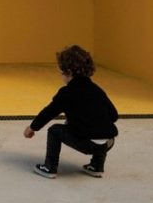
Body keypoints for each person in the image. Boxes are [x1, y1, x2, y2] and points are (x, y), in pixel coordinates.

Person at [23, 44, 119, 178]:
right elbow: (113, 116)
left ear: (67, 71)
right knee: (100, 128)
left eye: (61, 72)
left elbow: (49, 112)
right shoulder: (97, 90)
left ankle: (49, 167)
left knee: (55, 130)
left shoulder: (66, 93)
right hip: (108, 142)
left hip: (88, 144)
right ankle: (97, 166)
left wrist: (32, 127)